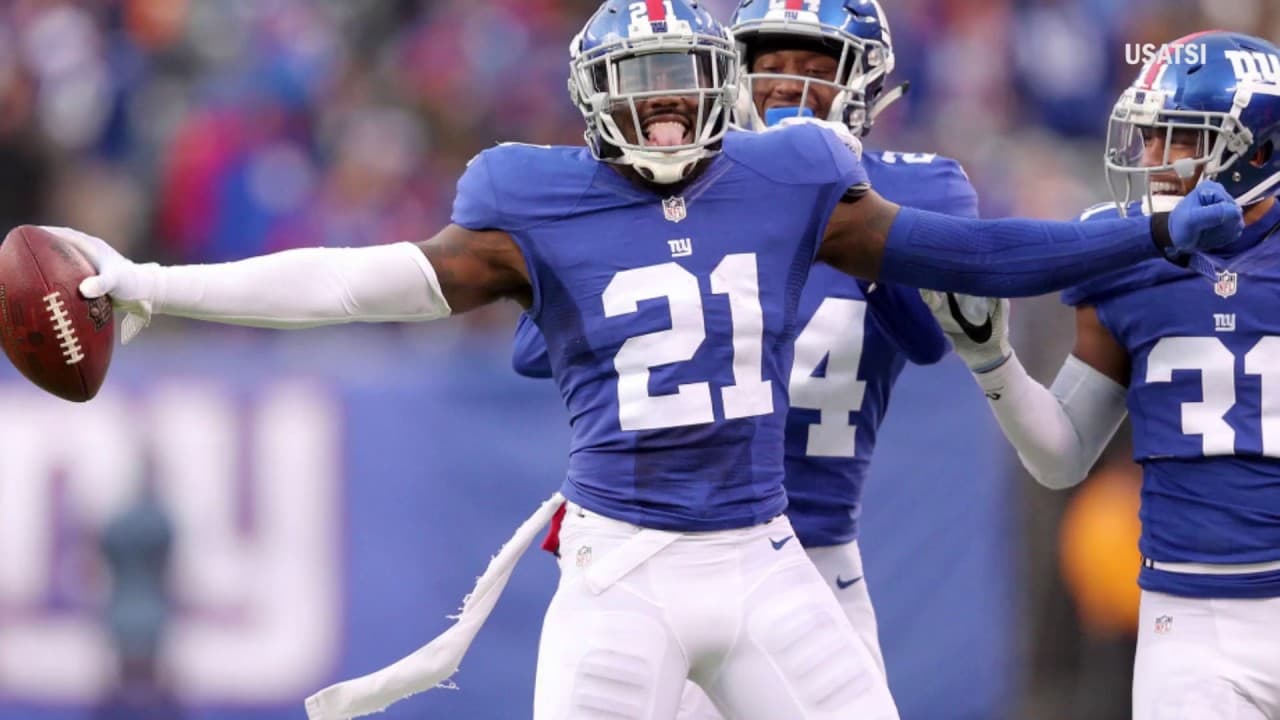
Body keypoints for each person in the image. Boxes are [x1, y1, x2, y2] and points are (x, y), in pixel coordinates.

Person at [56, 1, 1242, 717]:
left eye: (686, 89)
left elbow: (974, 253)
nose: (669, 113)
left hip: (774, 555)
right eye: (644, 92)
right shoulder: (540, 197)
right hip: (624, 565)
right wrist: (156, 284)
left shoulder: (791, 181)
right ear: (592, 103)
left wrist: (1139, 235)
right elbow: (360, 282)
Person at [512, 2, 968, 716]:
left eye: (815, 68)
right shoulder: (678, 192)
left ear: (867, 83)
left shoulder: (916, 186)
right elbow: (532, 351)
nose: (788, 86)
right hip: (665, 552)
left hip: (810, 562)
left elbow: (932, 340)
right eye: (770, 66)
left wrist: (841, 209)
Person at [923, 31, 1280, 720]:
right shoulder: (1129, 258)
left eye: (1181, 136)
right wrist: (992, 360)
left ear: (1257, 151)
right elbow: (1062, 456)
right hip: (1192, 624)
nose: (1154, 157)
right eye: (1149, 135)